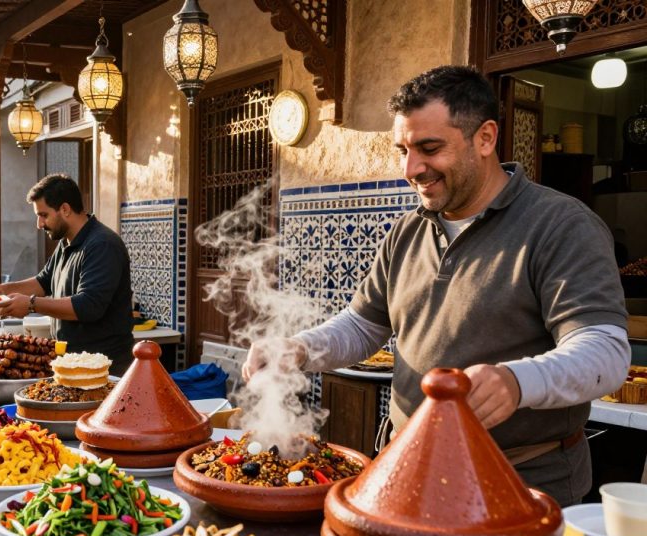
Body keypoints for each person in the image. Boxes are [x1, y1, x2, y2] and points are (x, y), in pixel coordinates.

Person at [241, 65, 630, 507]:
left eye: (429, 148)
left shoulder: (560, 225)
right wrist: (300, 349)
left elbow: (607, 351)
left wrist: (517, 381)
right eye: (403, 150)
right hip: (406, 467)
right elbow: (364, 325)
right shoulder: (407, 231)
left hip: (521, 482)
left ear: (485, 138)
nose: (412, 168)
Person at [0, 174, 135, 375]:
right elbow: (44, 282)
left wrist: (31, 304)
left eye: (43, 215)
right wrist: (5, 290)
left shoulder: (103, 244)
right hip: (70, 362)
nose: (39, 224)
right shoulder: (66, 242)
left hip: (104, 369)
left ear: (65, 209)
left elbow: (88, 306)